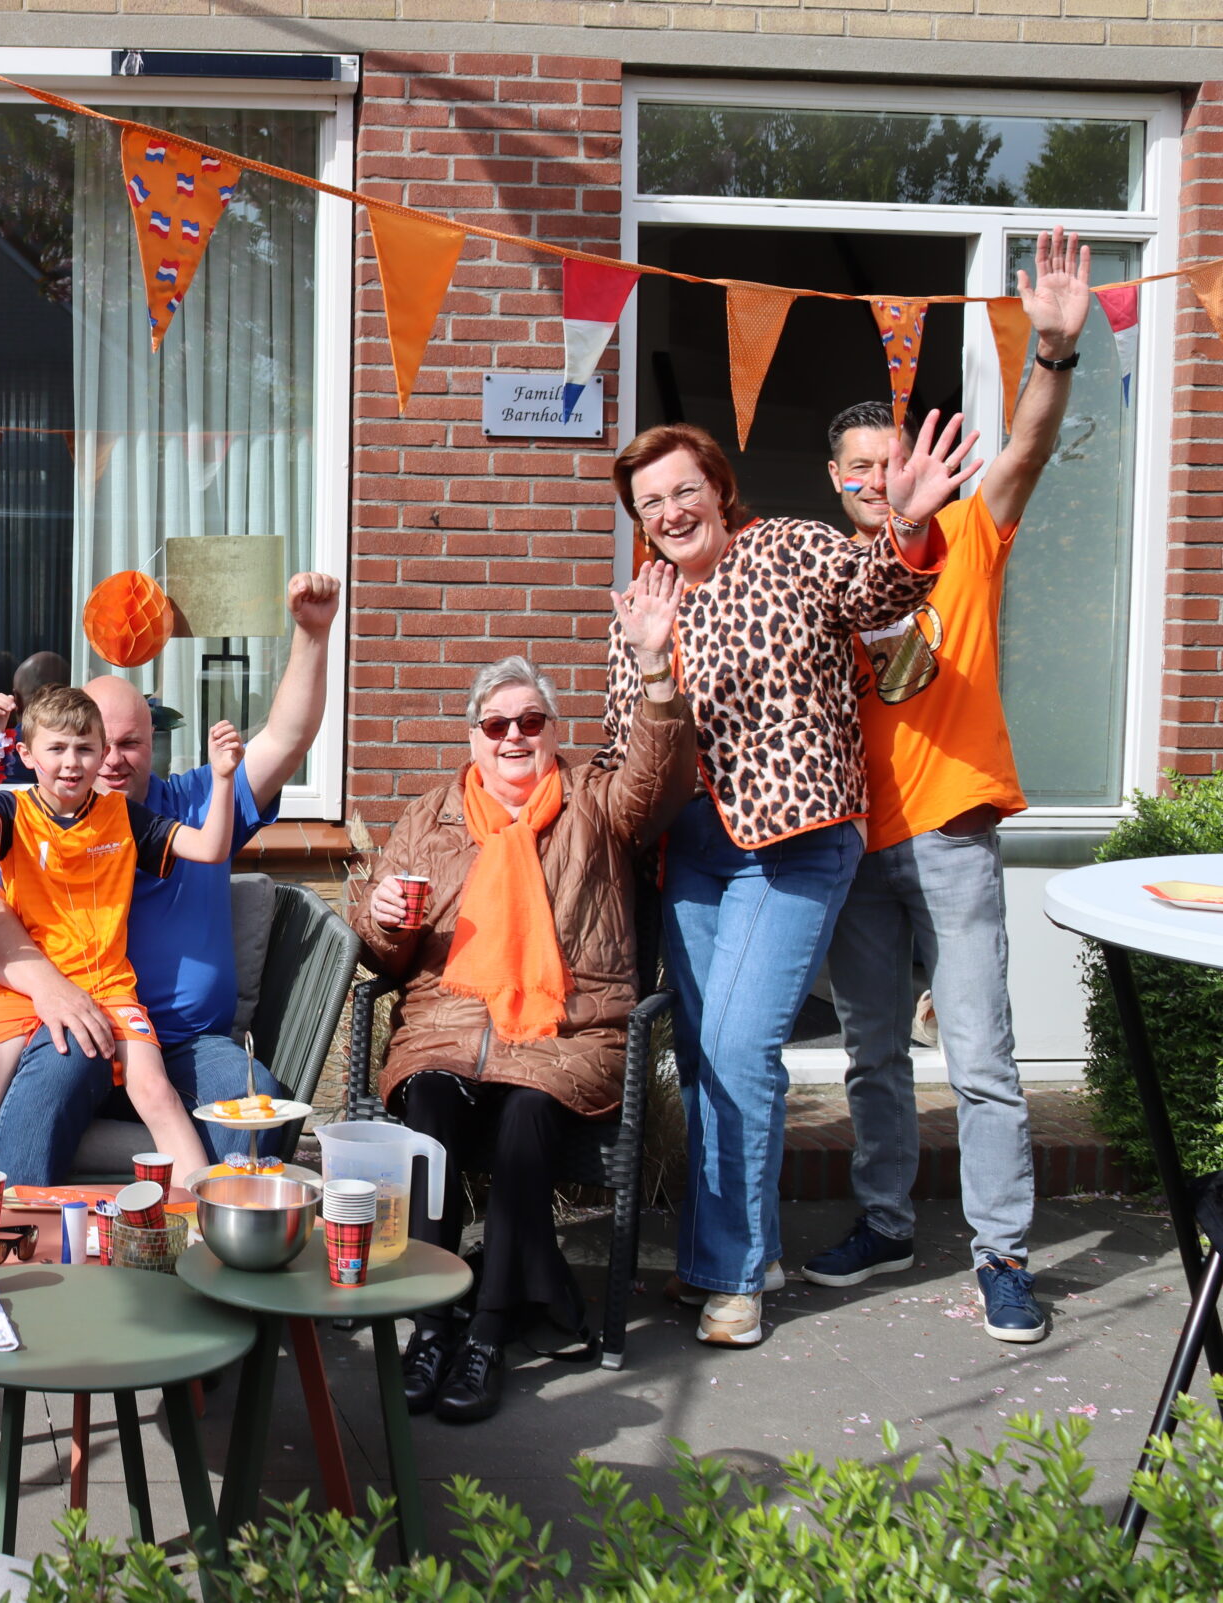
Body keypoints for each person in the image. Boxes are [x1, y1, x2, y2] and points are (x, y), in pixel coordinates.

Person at [603, 418, 977, 1347]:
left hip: (797, 838)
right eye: (650, 503)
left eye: (684, 489)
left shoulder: (791, 548)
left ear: (719, 488)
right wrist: (651, 663)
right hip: (692, 849)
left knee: (737, 1042)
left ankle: (734, 1276)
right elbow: (631, 762)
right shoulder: (641, 607)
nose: (670, 511)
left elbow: (882, 587)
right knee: (701, 1054)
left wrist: (910, 526)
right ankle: (731, 1252)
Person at [800, 229, 1093, 1346]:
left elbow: (1024, 446)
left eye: (895, 462)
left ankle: (1003, 1255)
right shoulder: (828, 571)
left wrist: (1054, 351)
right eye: (863, 470)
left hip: (954, 831)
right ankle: (882, 1220)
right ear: (837, 482)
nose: (884, 481)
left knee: (980, 1057)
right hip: (855, 846)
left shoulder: (972, 533)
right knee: (873, 1050)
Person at [352, 620, 695, 1422]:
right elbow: (386, 959)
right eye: (496, 724)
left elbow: (661, 778)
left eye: (530, 721)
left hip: (564, 1032)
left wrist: (654, 668)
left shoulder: (596, 803)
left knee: (525, 1119)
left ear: (552, 732)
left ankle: (488, 1331)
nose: (514, 736)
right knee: (430, 1102)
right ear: (473, 736)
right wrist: (383, 919)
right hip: (449, 1021)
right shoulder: (428, 818)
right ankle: (433, 1324)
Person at [0, 573, 342, 1182]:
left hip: (189, 1047)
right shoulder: (30, 816)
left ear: (155, 744)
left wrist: (311, 632)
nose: (112, 761)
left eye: (131, 743)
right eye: (98, 744)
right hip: (80, 1024)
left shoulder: (199, 802)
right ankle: (20, 1258)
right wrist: (51, 989)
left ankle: (221, 1254)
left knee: (256, 1109)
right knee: (51, 1086)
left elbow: (288, 737)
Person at [0, 687, 244, 1193]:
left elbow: (211, 848)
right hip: (26, 989)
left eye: (84, 749)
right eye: (56, 749)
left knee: (158, 1094)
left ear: (103, 755)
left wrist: (223, 777)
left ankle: (202, 1229)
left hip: (108, 986)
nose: (70, 763)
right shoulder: (12, 810)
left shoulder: (124, 815)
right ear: (26, 755)